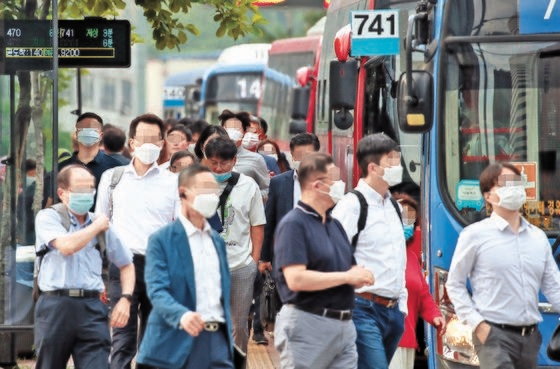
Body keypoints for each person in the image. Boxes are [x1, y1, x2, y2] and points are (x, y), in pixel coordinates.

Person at [446, 162, 560, 369]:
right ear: (488, 196)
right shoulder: (474, 235)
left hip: (531, 338)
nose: (514, 189)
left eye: (517, 183)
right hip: (494, 337)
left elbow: (553, 285)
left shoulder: (538, 238)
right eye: (505, 184)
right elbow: (454, 284)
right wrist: (478, 324)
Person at [273, 152, 374, 369]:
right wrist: (347, 276)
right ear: (317, 186)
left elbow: (345, 268)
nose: (342, 184)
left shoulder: (333, 224)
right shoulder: (294, 224)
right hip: (308, 325)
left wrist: (357, 276)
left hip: (344, 326)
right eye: (335, 180)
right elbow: (296, 279)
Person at [95, 113, 179, 369]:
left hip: (160, 267)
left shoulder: (173, 182)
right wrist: (99, 273)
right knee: (122, 338)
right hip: (122, 265)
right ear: (131, 143)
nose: (150, 145)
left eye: (156, 140)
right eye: (144, 140)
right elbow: (100, 224)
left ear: (163, 142)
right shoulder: (113, 178)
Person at [34, 165, 134, 369]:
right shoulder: (49, 217)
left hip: (92, 307)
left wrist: (126, 298)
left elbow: (126, 264)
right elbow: (67, 246)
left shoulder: (101, 225)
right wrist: (95, 226)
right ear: (62, 193)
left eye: (90, 189)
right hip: (55, 306)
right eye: (80, 190)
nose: (87, 194)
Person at [137, 164, 234, 369]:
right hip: (174, 342)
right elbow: (157, 290)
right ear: (183, 193)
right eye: (204, 189)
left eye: (213, 189)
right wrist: (182, 315)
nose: (211, 195)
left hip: (217, 343)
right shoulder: (162, 240)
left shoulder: (217, 241)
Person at [332, 133, 408, 369]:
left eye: (398, 160)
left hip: (393, 313)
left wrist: (402, 306)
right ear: (373, 167)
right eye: (392, 162)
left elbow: (397, 257)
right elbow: (331, 253)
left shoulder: (394, 205)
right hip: (362, 310)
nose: (398, 167)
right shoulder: (352, 205)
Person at [203, 136, 266, 361]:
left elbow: (257, 225)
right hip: (205, 267)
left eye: (224, 163)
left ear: (235, 160)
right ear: (204, 159)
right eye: (213, 162)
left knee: (238, 325)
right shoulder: (196, 185)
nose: (218, 168)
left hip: (240, 266)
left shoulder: (248, 185)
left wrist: (254, 260)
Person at [254, 132, 319, 345]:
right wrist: (264, 258)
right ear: (291, 156)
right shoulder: (280, 183)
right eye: (298, 155)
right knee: (289, 309)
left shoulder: (329, 184)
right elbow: (270, 221)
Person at [389, 194, 445, 369]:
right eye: (403, 218)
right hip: (385, 338)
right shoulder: (377, 254)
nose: (407, 225)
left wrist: (435, 316)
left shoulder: (411, 257)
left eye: (410, 220)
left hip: (407, 339)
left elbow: (423, 294)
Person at [58, 112, 123, 210]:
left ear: (101, 135)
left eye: (93, 129)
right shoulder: (62, 168)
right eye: (84, 129)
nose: (88, 132)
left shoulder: (115, 168)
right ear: (76, 134)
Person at [219, 109, 270, 199]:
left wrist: (249, 199)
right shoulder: (212, 157)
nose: (232, 132)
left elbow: (266, 189)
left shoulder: (256, 159)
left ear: (244, 132)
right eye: (229, 128)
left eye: (236, 128)